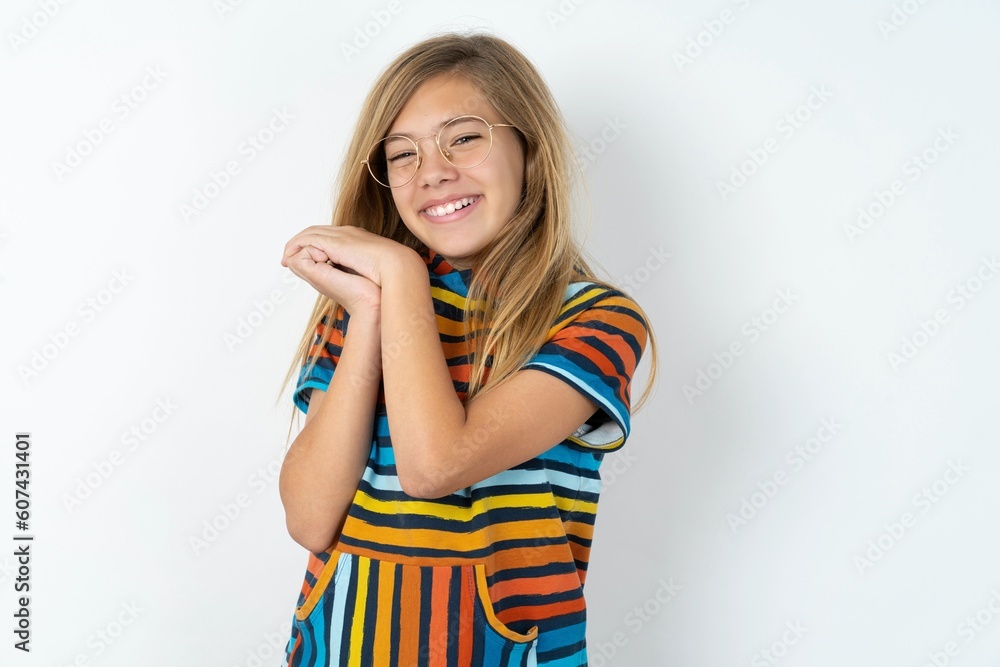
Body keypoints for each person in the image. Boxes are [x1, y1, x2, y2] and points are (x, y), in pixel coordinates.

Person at [276, 29, 659, 667]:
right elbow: (311, 520)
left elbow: (437, 466)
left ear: (529, 150)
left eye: (464, 137)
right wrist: (372, 307)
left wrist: (398, 278)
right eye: (403, 155)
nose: (433, 172)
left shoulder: (596, 318)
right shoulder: (357, 308)